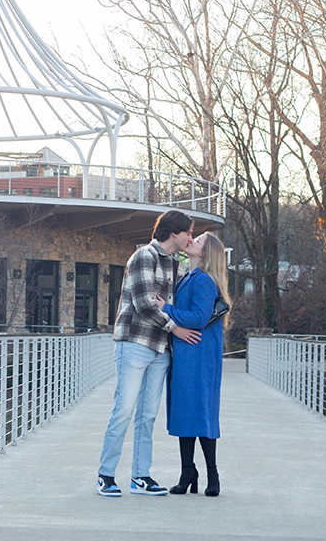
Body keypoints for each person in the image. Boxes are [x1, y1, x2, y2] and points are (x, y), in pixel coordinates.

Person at [96, 210, 201, 497]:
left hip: (160, 348)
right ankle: (106, 475)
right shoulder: (144, 255)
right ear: (174, 232)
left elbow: (170, 303)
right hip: (134, 343)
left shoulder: (175, 263)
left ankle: (140, 476)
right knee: (124, 409)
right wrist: (176, 329)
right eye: (189, 233)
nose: (191, 238)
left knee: (148, 415)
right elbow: (144, 304)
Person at [156, 231, 232, 497]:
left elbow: (199, 318)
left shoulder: (203, 280)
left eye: (197, 241)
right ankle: (188, 471)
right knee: (185, 412)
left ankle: (212, 473)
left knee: (201, 412)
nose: (192, 241)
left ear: (205, 253)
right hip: (186, 354)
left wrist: (167, 309)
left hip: (200, 356)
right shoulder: (188, 277)